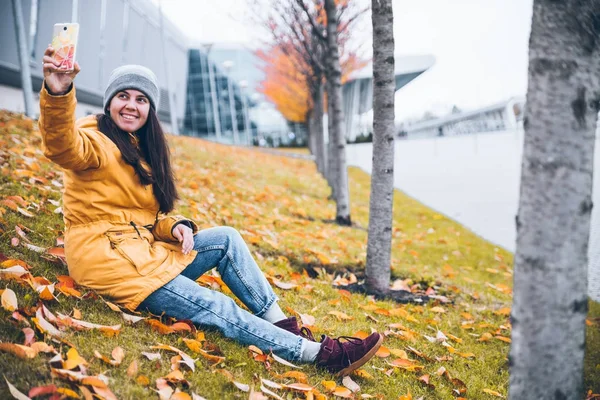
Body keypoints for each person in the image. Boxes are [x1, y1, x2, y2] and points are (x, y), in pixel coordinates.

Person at [39, 45, 382, 376]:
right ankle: (316, 354)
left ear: (150, 110)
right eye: (123, 97)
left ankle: (283, 325)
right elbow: (61, 146)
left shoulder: (141, 148)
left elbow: (142, 219)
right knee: (218, 306)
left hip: (140, 252)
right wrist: (58, 92)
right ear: (109, 102)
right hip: (109, 264)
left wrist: (174, 227)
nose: (132, 106)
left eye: (141, 100)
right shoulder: (95, 140)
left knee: (226, 240)